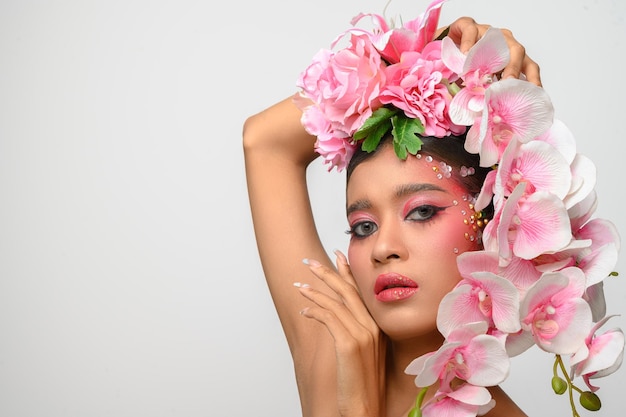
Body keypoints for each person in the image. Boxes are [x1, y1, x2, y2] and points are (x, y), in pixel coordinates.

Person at [242, 1, 622, 416]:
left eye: (421, 212)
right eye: (363, 226)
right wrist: (431, 62)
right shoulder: (334, 347)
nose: (382, 247)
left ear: (495, 225)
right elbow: (264, 143)